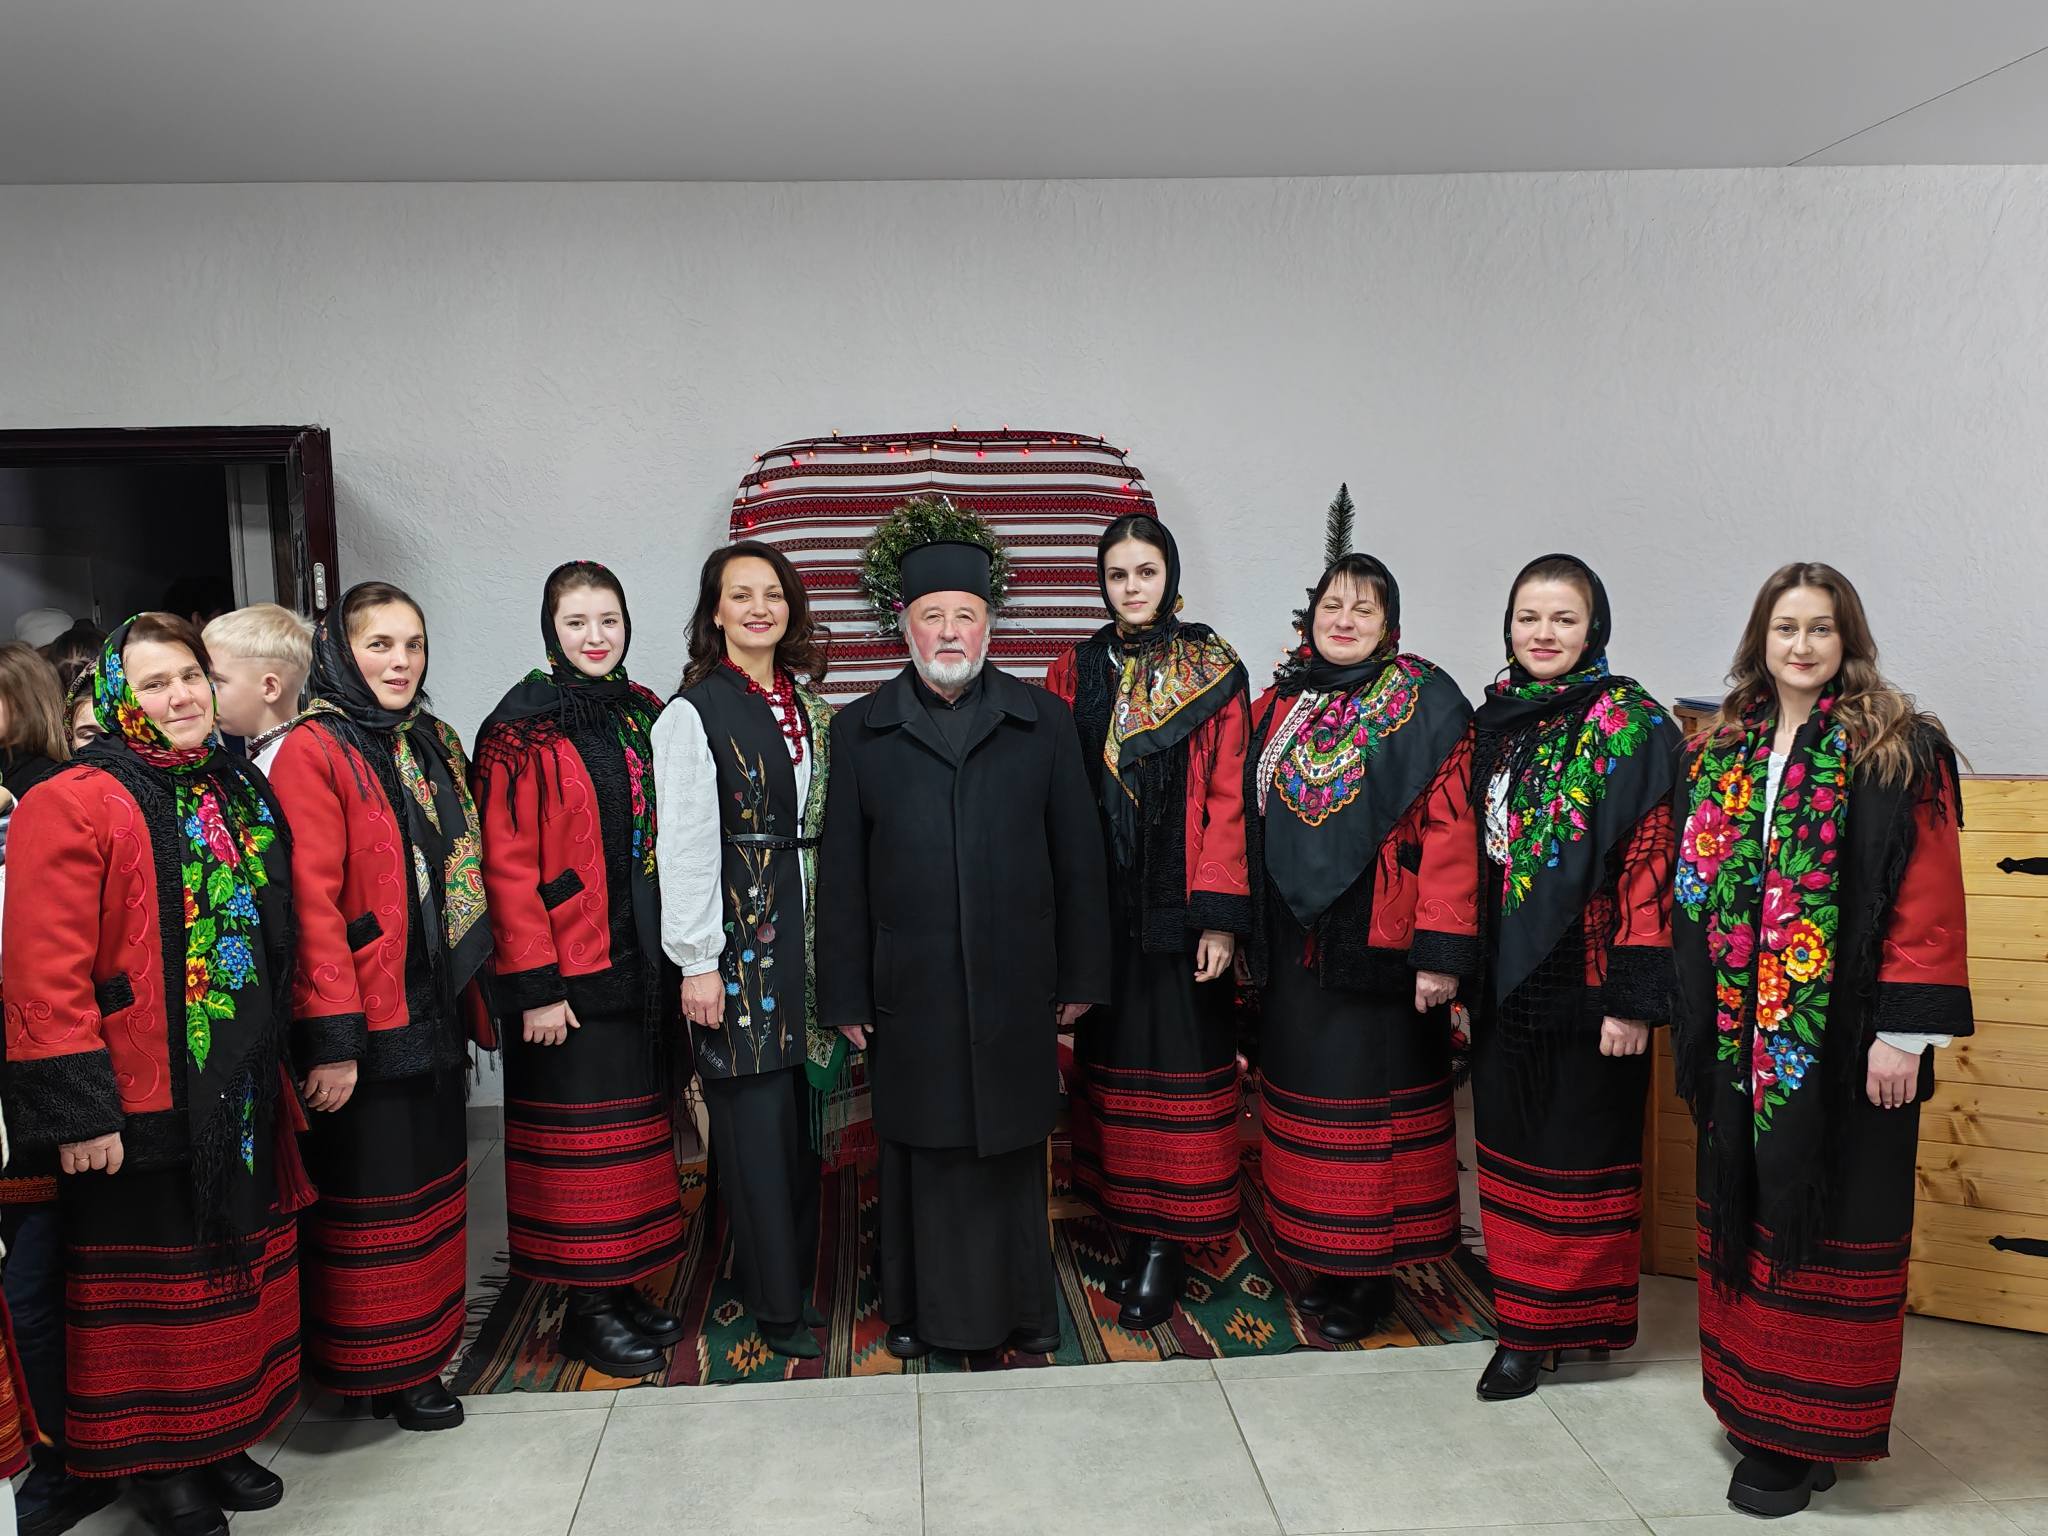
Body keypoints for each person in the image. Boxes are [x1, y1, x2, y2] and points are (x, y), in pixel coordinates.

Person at [1675, 562, 1971, 1518]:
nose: (1800, 646)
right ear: (1759, 639)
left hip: (1846, 1047)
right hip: (1739, 1042)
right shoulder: (1722, 749)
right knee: (1749, 1208)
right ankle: (1757, 1410)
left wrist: (1903, 1037)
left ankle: (1806, 1434)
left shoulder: (1897, 748)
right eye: (1785, 627)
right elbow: (1697, 891)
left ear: (1849, 640)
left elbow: (1928, 893)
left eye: (1820, 628)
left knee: (1835, 1219)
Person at [2, 616, 303, 1536]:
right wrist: (79, 1110)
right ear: (117, 699)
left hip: (235, 1085)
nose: (180, 697)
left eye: (190, 676)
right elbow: (42, 970)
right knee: (148, 1290)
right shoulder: (74, 797)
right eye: (154, 683)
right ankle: (161, 1467)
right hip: (134, 1100)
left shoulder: (234, 786)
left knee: (225, 1268)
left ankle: (221, 1437)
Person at [816, 501, 1111, 1359]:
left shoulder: (1043, 722)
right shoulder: (858, 730)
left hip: (1016, 982)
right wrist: (844, 992)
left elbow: (1079, 860)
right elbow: (841, 878)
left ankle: (1024, 1311)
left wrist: (1081, 975)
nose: (949, 631)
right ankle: (916, 1312)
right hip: (909, 987)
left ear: (989, 625)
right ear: (904, 625)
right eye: (932, 615)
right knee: (922, 1148)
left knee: (1010, 1145)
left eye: (966, 615)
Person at [266, 582, 492, 1430]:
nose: (401, 663)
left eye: (413, 645)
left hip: (431, 1005)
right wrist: (333, 1039)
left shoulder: (430, 739)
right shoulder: (313, 748)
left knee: (432, 1185)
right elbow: (312, 902)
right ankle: (371, 1367)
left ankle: (422, 1358)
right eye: (380, 645)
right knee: (373, 1196)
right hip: (364, 1013)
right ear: (338, 650)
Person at [1243, 551, 1478, 1342]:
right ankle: (1325, 1258)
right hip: (1295, 946)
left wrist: (1442, 950)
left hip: (1383, 949)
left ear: (1390, 624)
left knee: (1372, 1114)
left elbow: (1452, 831)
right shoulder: (1284, 702)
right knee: (1308, 1100)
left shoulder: (1426, 702)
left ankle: (1372, 1277)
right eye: (1331, 607)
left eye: (1363, 609)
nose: (1343, 621)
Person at [1465, 555, 1679, 1401]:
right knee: (1511, 1146)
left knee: (1583, 1154)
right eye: (1529, 617)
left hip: (1591, 983)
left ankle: (1561, 1326)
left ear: (1595, 629)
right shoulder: (1493, 719)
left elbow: (1652, 861)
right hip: (1505, 981)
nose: (1544, 634)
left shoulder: (1634, 724)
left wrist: (1634, 996)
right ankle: (1527, 1323)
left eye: (1563, 618)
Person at [474, 562, 687, 1376]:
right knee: (580, 1151)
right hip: (564, 978)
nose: (595, 638)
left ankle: (621, 1287)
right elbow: (504, 865)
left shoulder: (644, 712)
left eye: (608, 621)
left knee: (631, 1142)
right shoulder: (519, 727)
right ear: (550, 629)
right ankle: (584, 1312)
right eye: (577, 623)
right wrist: (535, 987)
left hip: (638, 969)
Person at [1043, 515, 1250, 1329]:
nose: (1132, 587)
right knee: (1113, 1061)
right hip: (1101, 908)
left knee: (1178, 1059)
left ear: (1171, 576)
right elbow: (1057, 790)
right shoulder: (1074, 669)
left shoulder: (1212, 666)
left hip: (1181, 910)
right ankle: (1131, 1219)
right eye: (1118, 574)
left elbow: (1230, 796)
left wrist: (1220, 919)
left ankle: (1169, 1240)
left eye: (1146, 571)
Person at [655, 543, 838, 1360]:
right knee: (754, 1128)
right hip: (737, 945)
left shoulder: (808, 705)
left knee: (794, 1127)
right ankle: (773, 1305)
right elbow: (686, 848)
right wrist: (698, 961)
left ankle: (788, 1279)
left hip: (804, 938)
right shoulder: (692, 713)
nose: (759, 608)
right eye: (741, 595)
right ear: (715, 611)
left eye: (773, 594)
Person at [0, 644, 110, 1536]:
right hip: (28, 1088)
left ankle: (66, 1461)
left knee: (36, 1286)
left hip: (35, 1088)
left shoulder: (47, 799)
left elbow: (50, 963)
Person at [203, 604, 316, 772]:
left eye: (218, 681)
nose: (207, 692)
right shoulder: (280, 752)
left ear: (270, 688)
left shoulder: (289, 765)